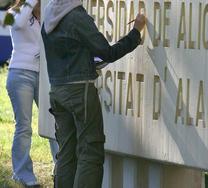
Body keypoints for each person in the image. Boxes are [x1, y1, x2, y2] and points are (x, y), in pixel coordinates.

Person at [41, 0, 146, 187]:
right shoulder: (76, 16)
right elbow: (108, 52)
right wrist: (136, 32)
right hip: (80, 91)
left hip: (57, 90)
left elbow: (68, 53)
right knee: (90, 151)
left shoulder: (49, 15)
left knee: (66, 152)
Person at [6, 0, 58, 187]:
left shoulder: (47, 14)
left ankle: (60, 167)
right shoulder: (15, 13)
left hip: (44, 75)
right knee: (24, 126)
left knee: (54, 122)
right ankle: (22, 174)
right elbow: (19, 24)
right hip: (20, 74)